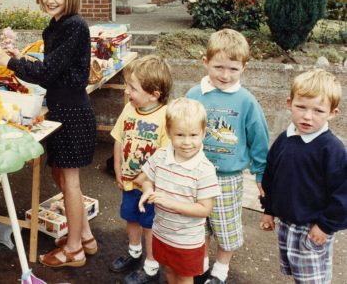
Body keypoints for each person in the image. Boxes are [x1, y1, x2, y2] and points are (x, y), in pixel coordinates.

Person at [0, 0, 97, 268]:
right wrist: (21, 59)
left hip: (73, 112)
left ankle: (74, 249)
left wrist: (9, 62)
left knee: (70, 180)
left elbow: (48, 74)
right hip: (62, 109)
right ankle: (86, 236)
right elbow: (53, 70)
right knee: (59, 174)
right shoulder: (55, 26)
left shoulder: (74, 26)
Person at [185, 29, 269, 284]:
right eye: (218, 67)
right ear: (205, 62)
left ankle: (221, 268)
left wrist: (261, 174)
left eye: (233, 69)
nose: (225, 75)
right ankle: (202, 262)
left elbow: (259, 140)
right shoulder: (194, 95)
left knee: (225, 226)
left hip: (228, 179)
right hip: (196, 175)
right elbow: (179, 127)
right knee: (199, 225)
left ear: (244, 67)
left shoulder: (246, 101)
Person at [260, 68, 347, 284]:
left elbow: (343, 193)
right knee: (298, 274)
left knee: (313, 279)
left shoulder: (332, 149)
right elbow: (270, 176)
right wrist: (268, 210)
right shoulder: (284, 139)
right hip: (286, 223)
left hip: (313, 226)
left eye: (318, 110)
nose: (307, 116)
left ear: (332, 113)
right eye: (301, 107)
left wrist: (326, 226)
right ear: (289, 103)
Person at [137, 98, 221, 284]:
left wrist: (170, 203)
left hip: (187, 241)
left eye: (193, 135)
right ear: (168, 132)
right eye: (180, 135)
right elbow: (147, 180)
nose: (187, 142)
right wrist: (147, 190)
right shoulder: (160, 156)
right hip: (161, 232)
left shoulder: (204, 169)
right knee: (168, 271)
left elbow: (205, 209)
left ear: (203, 133)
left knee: (184, 278)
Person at [109, 55, 172, 284]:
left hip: (150, 188)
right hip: (128, 182)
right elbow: (118, 139)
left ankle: (151, 265)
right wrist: (117, 169)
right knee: (130, 217)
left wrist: (148, 180)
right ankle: (134, 253)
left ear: (154, 93)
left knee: (149, 226)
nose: (127, 91)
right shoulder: (129, 109)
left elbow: (165, 156)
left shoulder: (165, 117)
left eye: (132, 88)